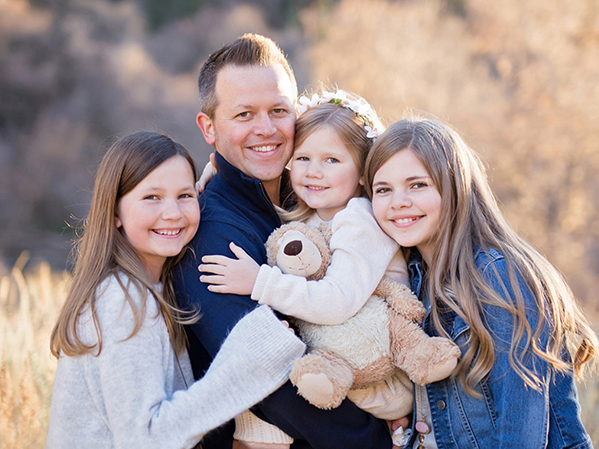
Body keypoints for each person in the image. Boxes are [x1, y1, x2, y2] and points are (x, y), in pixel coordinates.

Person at [198, 89, 458, 447]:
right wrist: (214, 172)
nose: (314, 173)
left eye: (332, 160)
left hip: (378, 370)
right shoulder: (314, 210)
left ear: (364, 171)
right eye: (302, 158)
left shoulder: (360, 219)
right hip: (341, 361)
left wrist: (260, 281)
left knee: (261, 409)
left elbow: (336, 301)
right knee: (256, 415)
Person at [172, 34, 395, 448]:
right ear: (209, 127)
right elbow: (271, 377)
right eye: (244, 115)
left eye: (279, 110)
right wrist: (378, 441)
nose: (266, 129)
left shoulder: (313, 195)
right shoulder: (210, 235)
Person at [46, 131, 306, 449]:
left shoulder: (152, 285)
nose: (172, 213)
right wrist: (247, 361)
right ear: (115, 212)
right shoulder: (123, 300)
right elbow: (146, 439)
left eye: (184, 196)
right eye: (151, 197)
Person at [363, 117, 598, 448]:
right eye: (383, 189)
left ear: (454, 186)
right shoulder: (412, 280)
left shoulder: (499, 277)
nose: (398, 201)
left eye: (418, 185)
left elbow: (521, 433)